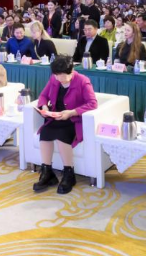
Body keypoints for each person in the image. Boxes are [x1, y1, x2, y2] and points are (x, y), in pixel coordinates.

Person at [31, 56, 99, 194]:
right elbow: (43, 96)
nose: (59, 79)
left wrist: (72, 112)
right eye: (57, 75)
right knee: (45, 133)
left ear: (71, 71)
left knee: (62, 135)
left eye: (62, 76)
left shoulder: (83, 81)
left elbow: (93, 103)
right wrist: (44, 107)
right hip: (56, 117)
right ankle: (47, 172)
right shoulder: (54, 79)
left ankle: (69, 174)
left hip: (73, 119)